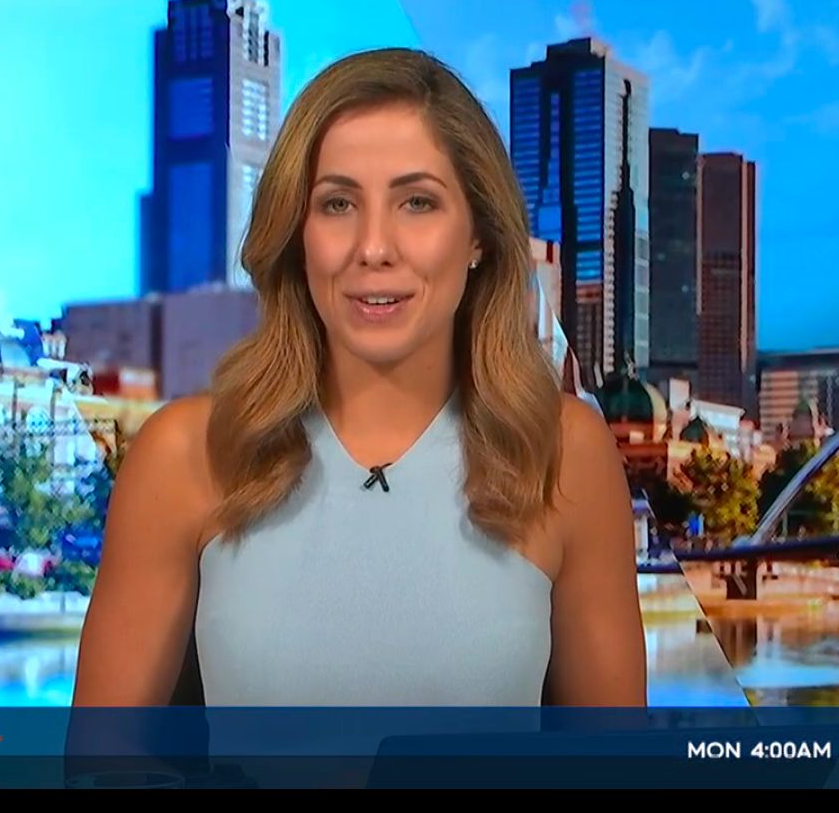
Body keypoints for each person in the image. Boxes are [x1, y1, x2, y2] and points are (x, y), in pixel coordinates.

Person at [73, 47, 646, 707]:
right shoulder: (183, 454)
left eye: (418, 203)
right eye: (338, 204)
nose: (374, 248)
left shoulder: (567, 455)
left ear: (479, 237)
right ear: (298, 234)